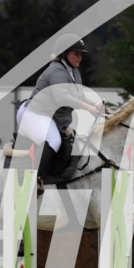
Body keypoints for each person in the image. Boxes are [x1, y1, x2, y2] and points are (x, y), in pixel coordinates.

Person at [16, 33, 103, 195]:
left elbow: (79, 96)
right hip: (33, 114)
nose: (80, 57)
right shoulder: (56, 71)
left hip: (48, 116)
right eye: (76, 53)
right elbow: (62, 98)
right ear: (64, 53)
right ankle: (34, 180)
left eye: (81, 54)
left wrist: (95, 104)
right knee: (54, 140)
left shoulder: (73, 71)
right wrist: (88, 108)